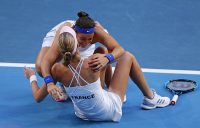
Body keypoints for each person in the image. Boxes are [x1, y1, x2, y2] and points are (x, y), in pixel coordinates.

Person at [24, 26, 170, 122]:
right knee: (127, 56)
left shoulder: (56, 70)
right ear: (78, 45)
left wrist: (32, 76)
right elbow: (118, 51)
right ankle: (150, 98)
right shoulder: (93, 62)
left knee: (101, 53)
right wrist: (107, 58)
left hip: (82, 115)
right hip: (108, 111)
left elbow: (37, 97)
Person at [35, 11, 124, 101]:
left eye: (90, 39)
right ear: (75, 32)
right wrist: (49, 83)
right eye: (83, 39)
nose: (86, 43)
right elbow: (46, 61)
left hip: (80, 41)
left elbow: (119, 49)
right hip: (60, 37)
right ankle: (63, 84)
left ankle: (111, 88)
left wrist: (106, 58)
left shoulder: (98, 33)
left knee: (108, 53)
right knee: (40, 68)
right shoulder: (64, 36)